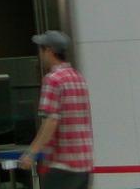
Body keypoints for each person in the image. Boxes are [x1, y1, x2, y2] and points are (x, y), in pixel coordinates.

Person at [25, 30, 94, 189]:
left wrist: (31, 152)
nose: (40, 55)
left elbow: (51, 121)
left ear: (49, 51)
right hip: (84, 164)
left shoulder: (53, 80)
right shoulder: (78, 77)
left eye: (41, 50)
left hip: (62, 165)